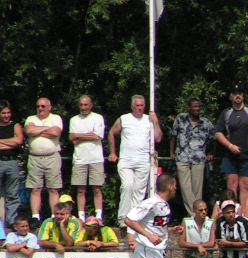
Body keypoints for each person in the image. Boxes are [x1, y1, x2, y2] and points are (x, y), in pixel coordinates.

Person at [108, 94, 163, 228]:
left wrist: (155, 121)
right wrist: (112, 152)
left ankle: (134, 219)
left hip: (143, 160)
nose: (140, 108)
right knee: (127, 186)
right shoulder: (124, 119)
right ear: (132, 106)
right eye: (137, 105)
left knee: (139, 190)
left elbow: (158, 138)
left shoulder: (148, 120)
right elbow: (111, 133)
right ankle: (123, 218)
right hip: (126, 160)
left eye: (142, 105)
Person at [215, 85, 248, 209]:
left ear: (243, 96)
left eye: (239, 93)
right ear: (230, 97)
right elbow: (218, 133)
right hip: (230, 155)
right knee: (231, 185)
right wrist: (230, 146)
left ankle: (244, 215)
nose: (237, 96)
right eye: (234, 93)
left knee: (245, 185)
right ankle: (231, 212)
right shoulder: (226, 113)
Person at [170, 98, 215, 216]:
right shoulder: (180, 119)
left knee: (197, 190)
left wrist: (211, 153)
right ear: (189, 107)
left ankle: (196, 215)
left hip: (199, 158)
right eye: (194, 106)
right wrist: (172, 152)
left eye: (199, 106)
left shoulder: (206, 122)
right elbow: (173, 136)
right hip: (182, 157)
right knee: (185, 189)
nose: (197, 109)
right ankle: (195, 215)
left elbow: (214, 139)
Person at [24, 97, 63, 227]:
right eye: (38, 106)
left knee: (53, 188)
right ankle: (35, 217)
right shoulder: (31, 119)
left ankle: (54, 216)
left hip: (52, 157)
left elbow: (56, 132)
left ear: (49, 107)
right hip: (35, 158)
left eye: (43, 106)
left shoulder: (56, 118)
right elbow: (28, 131)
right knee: (35, 189)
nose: (40, 109)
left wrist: (38, 130)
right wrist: (47, 129)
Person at [69, 95, 106, 222]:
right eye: (81, 105)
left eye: (86, 105)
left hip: (96, 158)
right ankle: (81, 216)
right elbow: (72, 139)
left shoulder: (97, 118)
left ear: (91, 105)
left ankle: (99, 216)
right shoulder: (74, 120)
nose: (83, 107)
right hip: (80, 159)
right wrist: (89, 134)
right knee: (80, 190)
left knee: (97, 188)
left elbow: (97, 136)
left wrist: (79, 136)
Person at [0, 100, 24, 228]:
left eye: (8, 113)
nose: (6, 115)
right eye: (4, 113)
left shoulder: (15, 126)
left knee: (12, 194)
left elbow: (19, 140)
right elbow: (14, 141)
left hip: (12, 161)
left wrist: (2, 143)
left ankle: (11, 222)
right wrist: (11, 141)